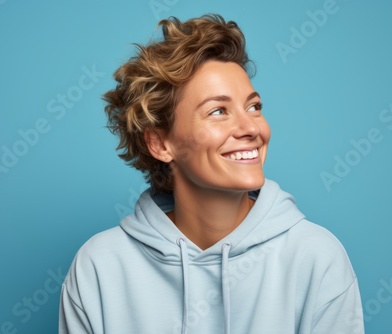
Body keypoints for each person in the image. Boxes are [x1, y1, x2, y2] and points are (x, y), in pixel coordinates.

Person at [59, 14, 364, 334]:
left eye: (254, 107)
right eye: (218, 111)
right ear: (160, 143)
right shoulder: (99, 268)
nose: (250, 128)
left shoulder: (315, 258)